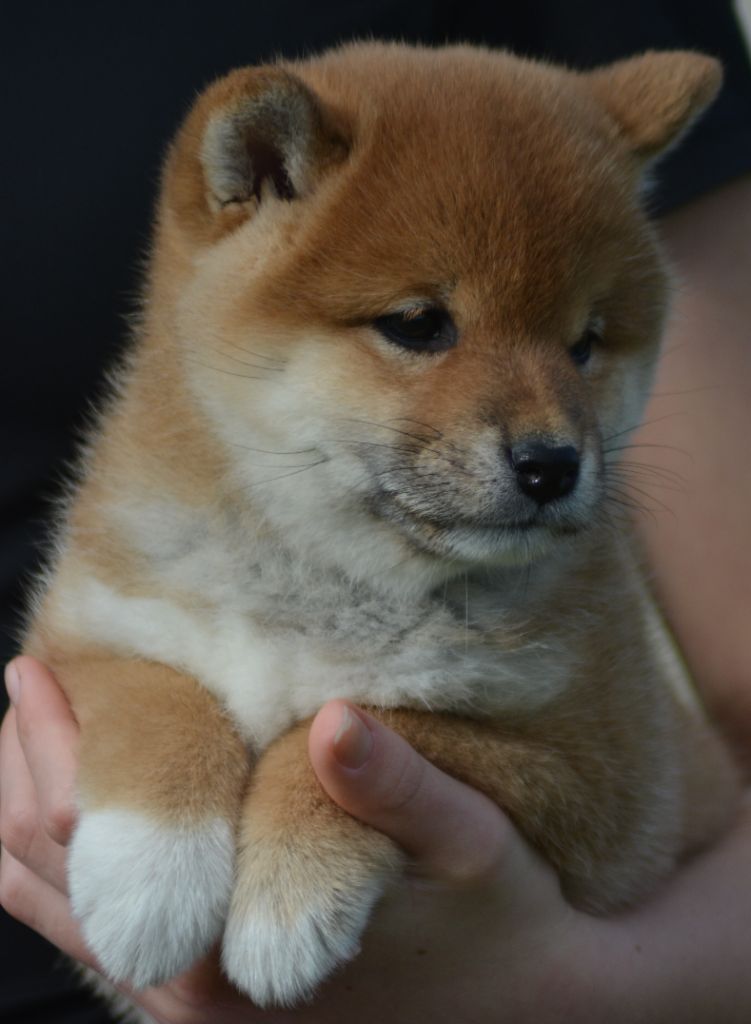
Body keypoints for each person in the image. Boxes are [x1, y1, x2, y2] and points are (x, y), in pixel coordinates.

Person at [1, 3, 750, 1021]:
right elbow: (92, 672)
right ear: (257, 175)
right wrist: (157, 772)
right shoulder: (140, 527)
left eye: (582, 345)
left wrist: (334, 808)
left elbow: (627, 794)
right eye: (418, 327)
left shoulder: (554, 608)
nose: (548, 430)